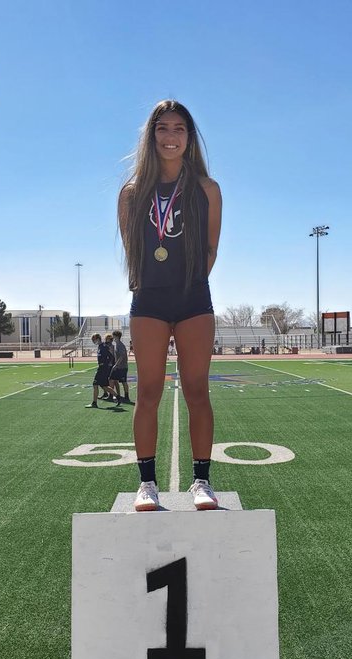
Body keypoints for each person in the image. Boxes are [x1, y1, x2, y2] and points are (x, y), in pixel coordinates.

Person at [118, 99, 222, 511]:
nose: (171, 136)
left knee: (197, 390)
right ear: (151, 135)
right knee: (148, 391)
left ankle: (202, 481)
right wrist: (155, 282)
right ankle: (147, 483)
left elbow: (211, 248)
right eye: (163, 128)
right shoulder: (131, 193)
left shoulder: (207, 189)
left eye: (179, 128)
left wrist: (189, 282)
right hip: (149, 300)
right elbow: (133, 249)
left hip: (193, 298)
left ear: (189, 137)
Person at [86, 333, 119, 408]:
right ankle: (118, 397)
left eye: (94, 340)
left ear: (98, 339)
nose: (93, 342)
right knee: (104, 386)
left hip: (102, 368)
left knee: (95, 384)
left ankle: (94, 403)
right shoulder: (100, 346)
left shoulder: (103, 346)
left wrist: (107, 364)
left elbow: (111, 356)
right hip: (101, 368)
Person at [110, 330, 131, 403]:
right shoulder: (116, 344)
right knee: (111, 379)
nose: (113, 337)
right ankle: (111, 395)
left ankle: (126, 397)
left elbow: (122, 356)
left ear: (117, 336)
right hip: (118, 367)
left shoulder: (120, 345)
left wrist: (116, 365)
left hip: (122, 367)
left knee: (123, 381)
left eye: (113, 336)